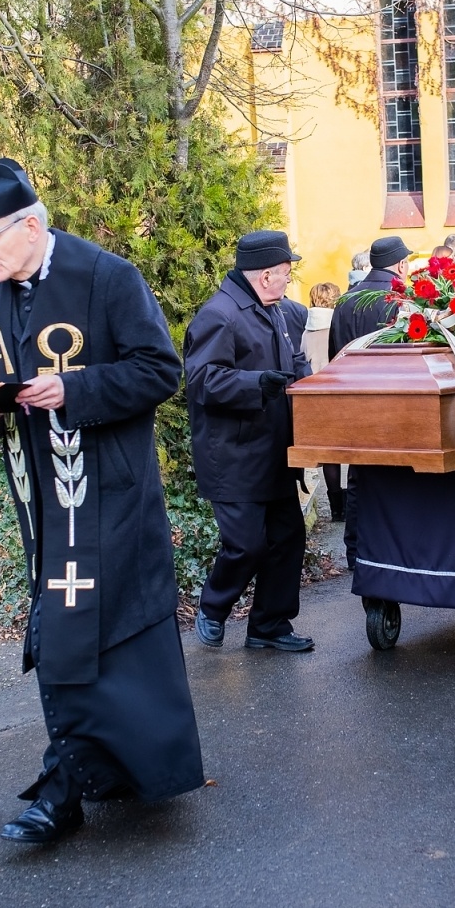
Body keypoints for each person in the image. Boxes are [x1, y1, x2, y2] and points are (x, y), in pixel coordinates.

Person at [0, 154, 203, 846]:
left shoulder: (107, 276)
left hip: (113, 499)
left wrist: (74, 390)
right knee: (70, 632)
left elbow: (160, 371)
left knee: (108, 634)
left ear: (31, 225)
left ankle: (63, 791)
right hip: (47, 507)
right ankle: (99, 776)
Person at [185, 231, 315, 653]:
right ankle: (212, 607)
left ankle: (268, 626)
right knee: (246, 545)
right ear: (264, 277)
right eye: (285, 275)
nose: (287, 282)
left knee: (288, 537)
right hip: (234, 455)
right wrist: (258, 383)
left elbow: (292, 363)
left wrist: (313, 382)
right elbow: (201, 380)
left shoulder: (274, 310)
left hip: (274, 450)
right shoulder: (220, 315)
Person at [330, 236, 415, 568]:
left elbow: (335, 352)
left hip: (352, 396)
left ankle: (355, 551)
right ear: (401, 265)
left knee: (358, 476)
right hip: (394, 399)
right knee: (395, 477)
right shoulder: (400, 300)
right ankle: (391, 553)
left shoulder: (345, 300)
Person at [304, 282, 345, 521]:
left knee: (329, 454)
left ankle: (336, 507)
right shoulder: (340, 326)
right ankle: (352, 503)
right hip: (340, 389)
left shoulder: (307, 330)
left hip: (316, 394)